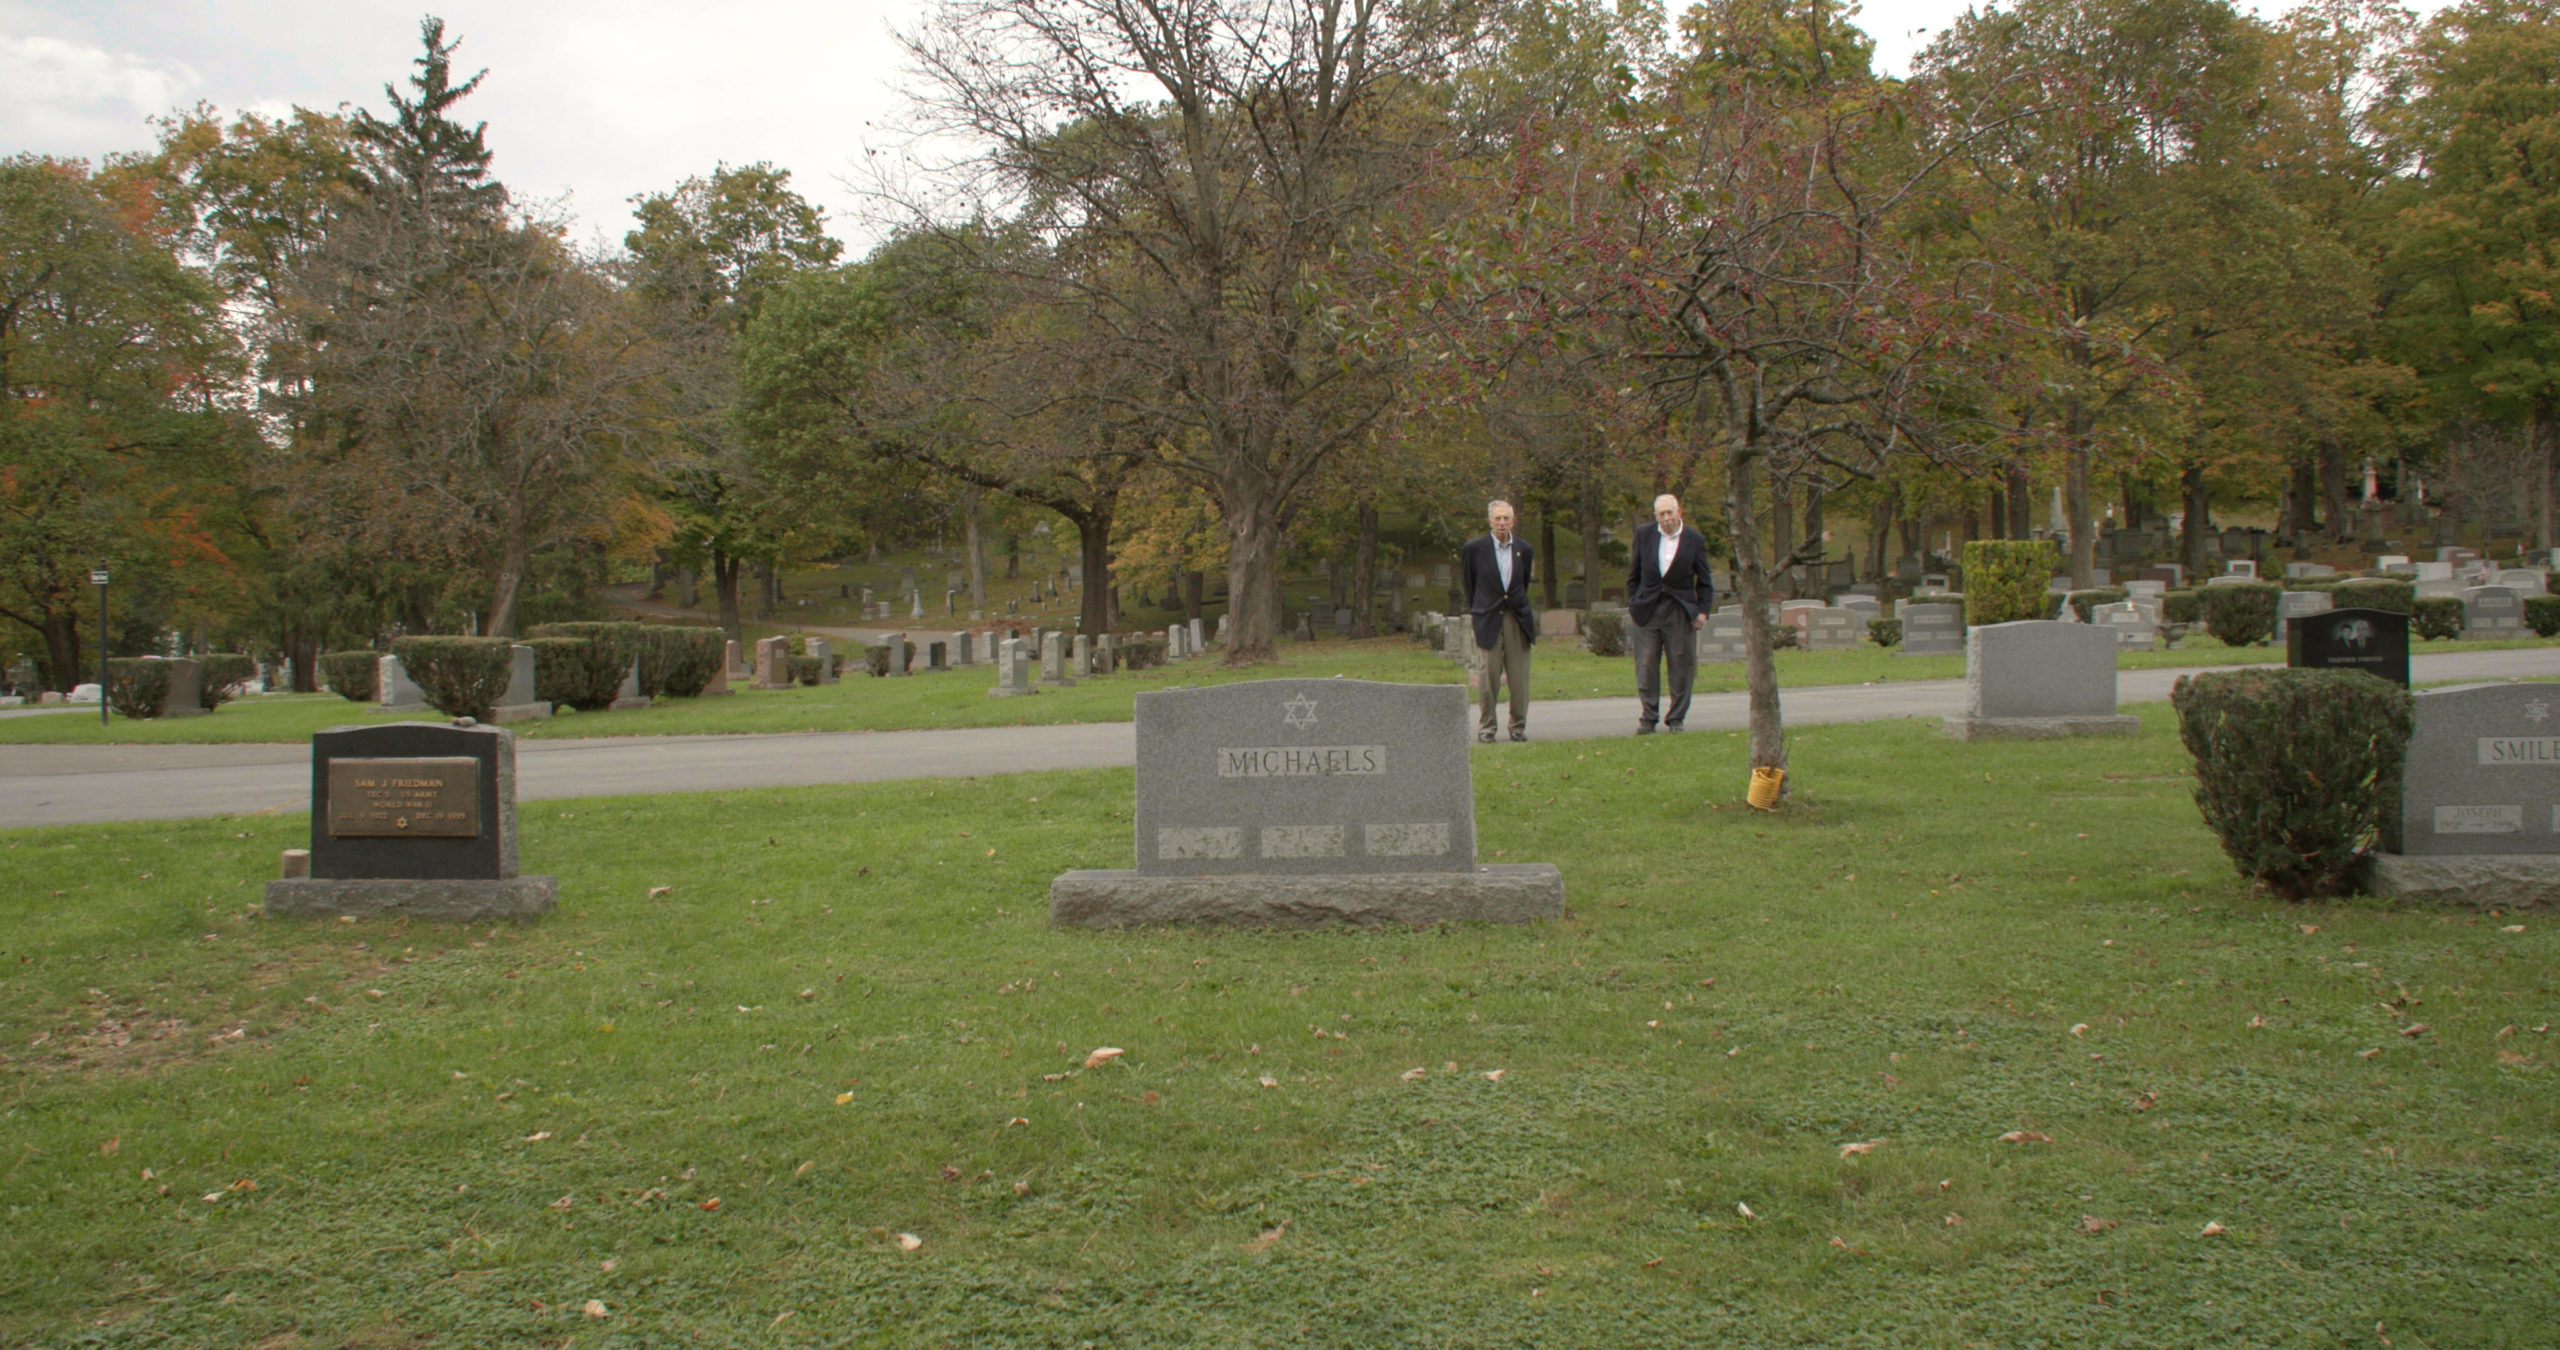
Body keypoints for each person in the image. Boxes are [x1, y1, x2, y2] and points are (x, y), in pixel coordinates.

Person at [1625, 492, 1716, 733]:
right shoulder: (1644, 534)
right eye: (1661, 514)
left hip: (1679, 610)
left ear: (1679, 512)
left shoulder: (1694, 540)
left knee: (1680, 664)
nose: (1665, 518)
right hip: (1648, 609)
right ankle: (1648, 717)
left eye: (1669, 513)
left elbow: (1705, 581)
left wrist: (1702, 612)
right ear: (1655, 516)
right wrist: (1634, 603)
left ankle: (1676, 718)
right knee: (1645, 665)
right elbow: (1634, 574)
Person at [1459, 499, 1536, 742]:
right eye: (1497, 518)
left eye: (1506, 518)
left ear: (1513, 521)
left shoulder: (1524, 549)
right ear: (1489, 521)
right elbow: (1470, 585)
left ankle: (1518, 727)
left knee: (1519, 677)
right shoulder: (1474, 549)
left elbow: (1522, 585)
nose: (1502, 523)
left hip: (1517, 618)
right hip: (1489, 618)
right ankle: (1487, 727)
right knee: (1488, 676)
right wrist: (1480, 610)